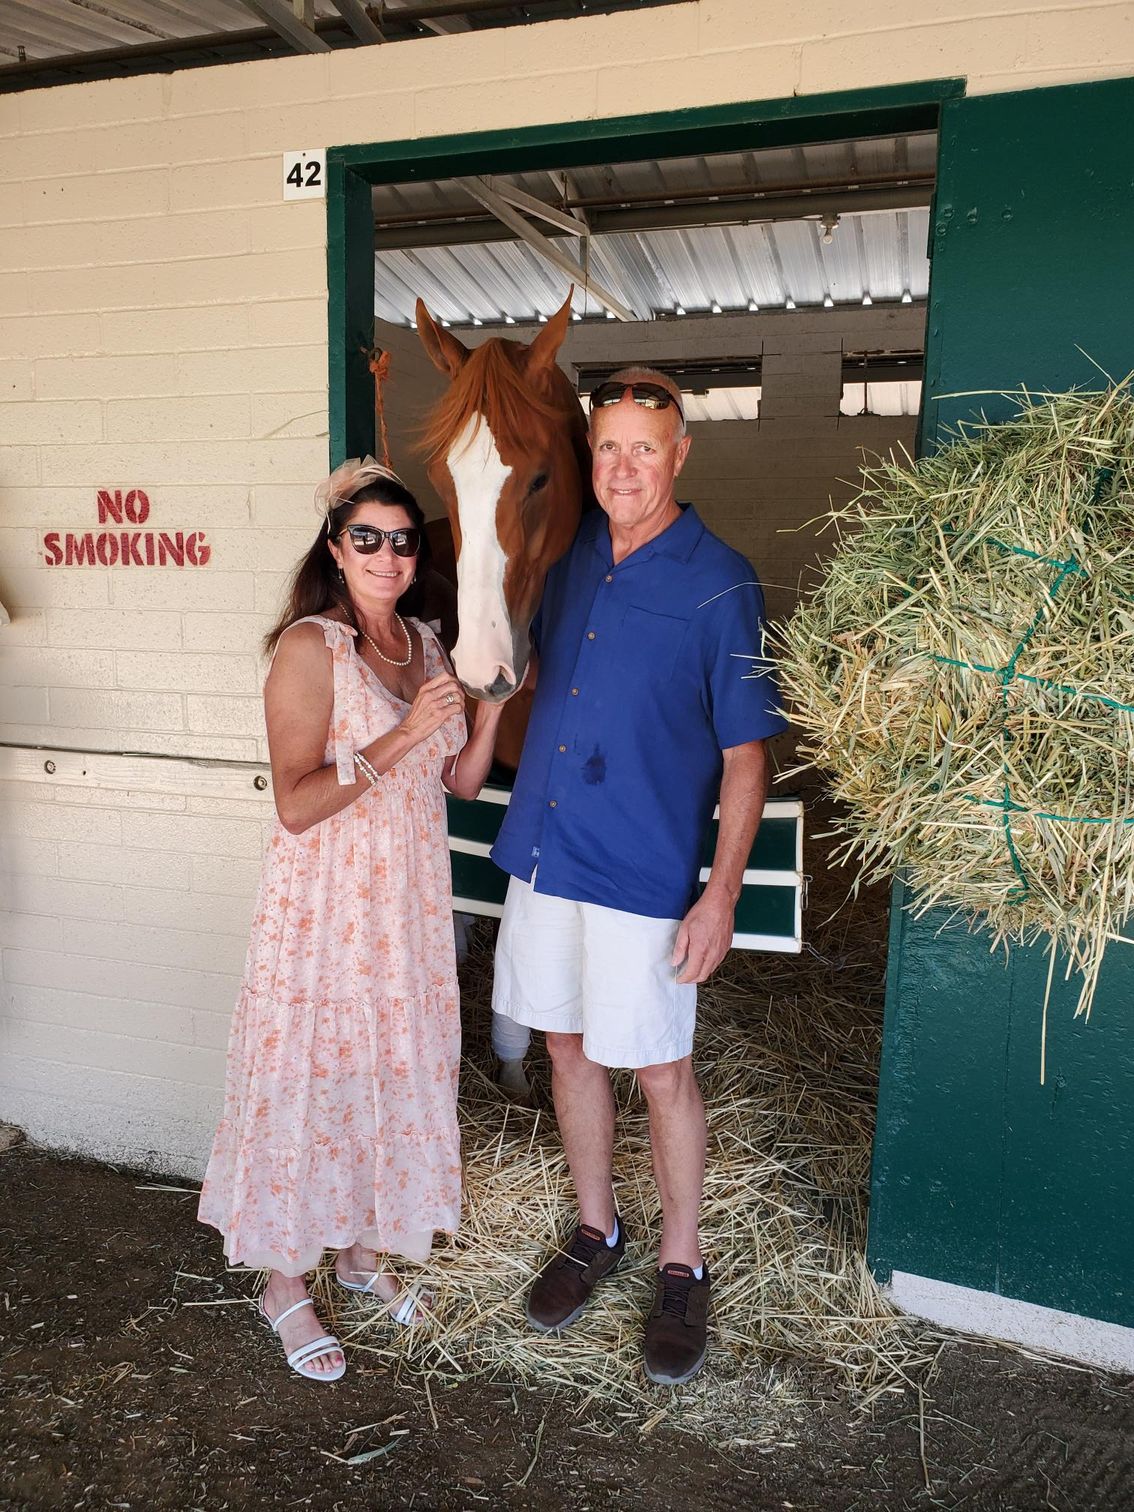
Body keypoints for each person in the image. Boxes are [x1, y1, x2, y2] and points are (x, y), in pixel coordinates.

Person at [490, 369, 788, 1386]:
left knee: (661, 1071)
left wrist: (720, 893)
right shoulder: (568, 557)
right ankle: (596, 1230)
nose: (624, 468)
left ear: (680, 455)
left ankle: (681, 1263)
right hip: (547, 852)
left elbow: (747, 758)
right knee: (566, 1047)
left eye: (644, 449)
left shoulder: (722, 583)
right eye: (608, 447)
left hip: (644, 872)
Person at [199, 457, 503, 1383]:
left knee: (394, 1069)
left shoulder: (427, 645)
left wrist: (493, 707)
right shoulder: (310, 647)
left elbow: (458, 780)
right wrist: (403, 731)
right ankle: (283, 1282)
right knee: (313, 1077)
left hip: (406, 908)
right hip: (325, 909)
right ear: (335, 548)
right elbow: (295, 804)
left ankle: (363, 1256)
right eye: (365, 537)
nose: (386, 555)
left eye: (402, 541)